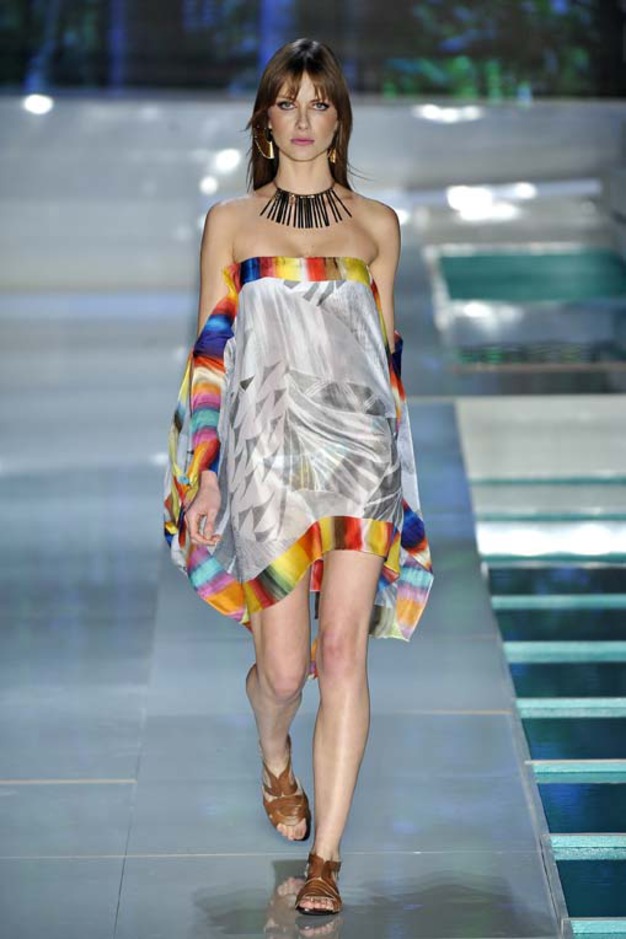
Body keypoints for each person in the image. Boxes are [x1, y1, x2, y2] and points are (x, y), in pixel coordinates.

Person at [164, 37, 433, 917]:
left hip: (360, 456)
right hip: (266, 457)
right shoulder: (231, 224)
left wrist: (405, 484)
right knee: (283, 672)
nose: (305, 119)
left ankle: (325, 861)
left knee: (342, 651)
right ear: (265, 121)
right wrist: (202, 473)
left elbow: (386, 357)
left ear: (339, 119)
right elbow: (211, 356)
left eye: (321, 103)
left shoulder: (377, 225)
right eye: (289, 103)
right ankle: (276, 757)